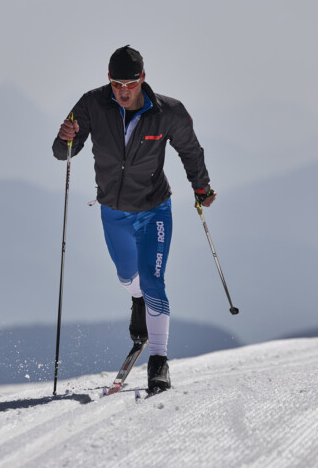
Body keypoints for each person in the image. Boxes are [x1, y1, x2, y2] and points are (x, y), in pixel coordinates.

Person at [52, 45, 216, 391]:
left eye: (129, 84)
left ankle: (158, 361)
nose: (123, 91)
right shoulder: (92, 103)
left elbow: (190, 150)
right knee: (128, 277)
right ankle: (137, 300)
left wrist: (201, 188)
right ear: (108, 79)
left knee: (154, 279)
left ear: (142, 78)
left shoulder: (167, 112)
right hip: (113, 211)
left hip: (154, 208)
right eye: (116, 84)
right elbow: (62, 150)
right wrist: (66, 138)